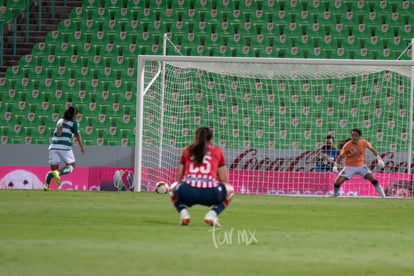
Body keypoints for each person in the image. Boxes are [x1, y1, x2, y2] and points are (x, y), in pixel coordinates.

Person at [170, 126, 234, 226]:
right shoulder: (218, 151)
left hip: (187, 192)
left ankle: (183, 213)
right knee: (230, 190)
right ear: (211, 140)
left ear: (196, 139)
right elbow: (223, 179)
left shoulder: (187, 150)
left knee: (172, 187)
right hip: (211, 194)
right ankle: (213, 214)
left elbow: (179, 177)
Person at [332, 128, 385, 197]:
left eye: (355, 135)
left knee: (373, 178)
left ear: (359, 136)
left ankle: (383, 196)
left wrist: (379, 158)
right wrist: (336, 165)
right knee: (337, 182)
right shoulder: (347, 145)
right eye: (352, 135)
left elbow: (372, 149)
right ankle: (335, 194)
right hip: (349, 166)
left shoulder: (364, 142)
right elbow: (340, 156)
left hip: (362, 165)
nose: (353, 137)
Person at [43, 106, 85, 191]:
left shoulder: (60, 120)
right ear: (74, 114)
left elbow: (61, 133)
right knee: (72, 166)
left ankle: (46, 185)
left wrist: (69, 139)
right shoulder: (74, 122)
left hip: (53, 146)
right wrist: (81, 146)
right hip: (64, 147)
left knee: (53, 171)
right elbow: (77, 134)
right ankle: (58, 173)